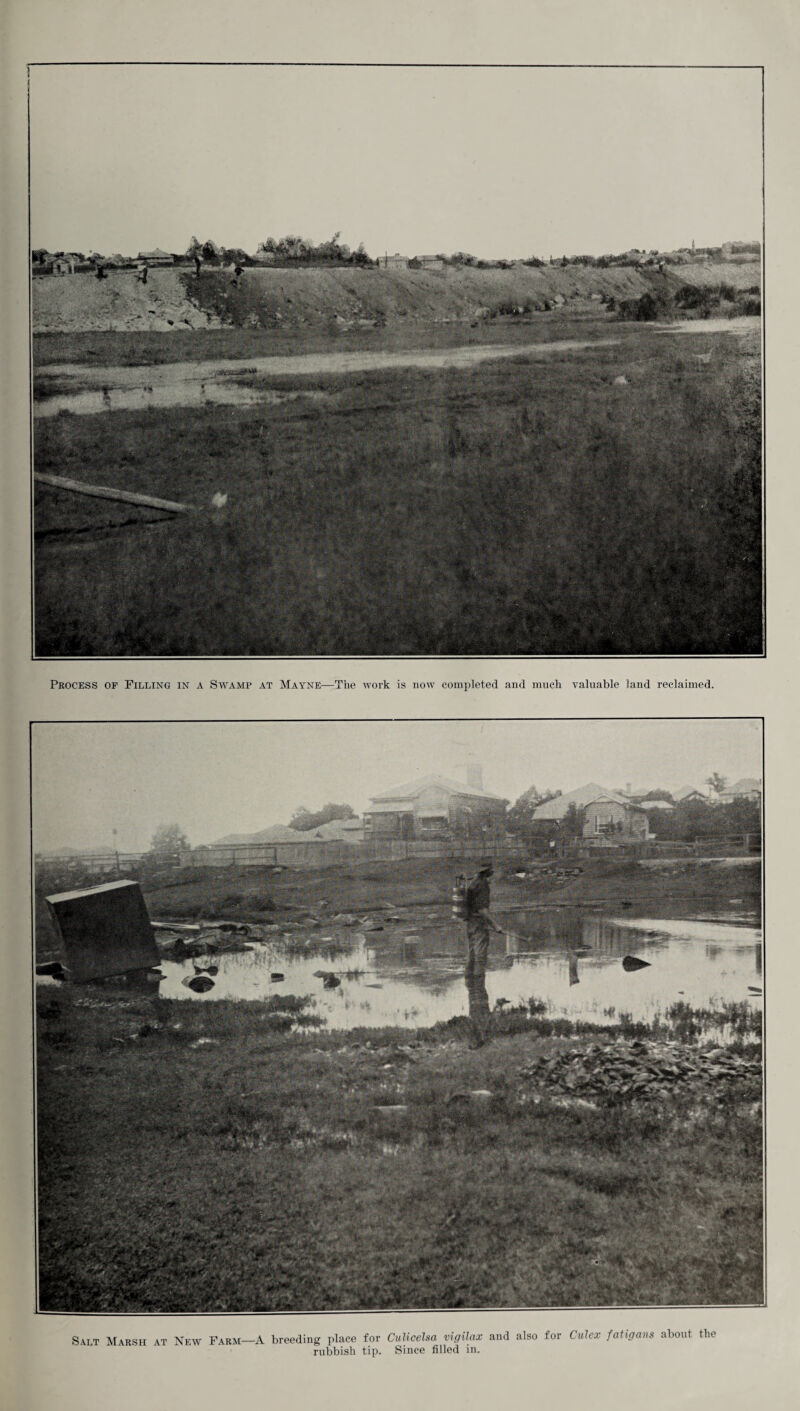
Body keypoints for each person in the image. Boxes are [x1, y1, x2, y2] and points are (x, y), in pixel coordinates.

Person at [462, 860, 504, 1047]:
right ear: (489, 872)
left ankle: (471, 985)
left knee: (471, 953)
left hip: (470, 923)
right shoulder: (483, 885)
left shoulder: (472, 882)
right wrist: (495, 925)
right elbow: (482, 909)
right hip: (478, 923)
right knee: (480, 955)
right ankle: (478, 984)